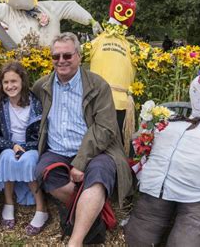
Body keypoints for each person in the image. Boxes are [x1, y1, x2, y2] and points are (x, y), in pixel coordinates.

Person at [32, 33, 132, 247]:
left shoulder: (98, 86)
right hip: (57, 149)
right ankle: (94, 211)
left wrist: (80, 161)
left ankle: (75, 241)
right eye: (55, 56)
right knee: (44, 173)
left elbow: (105, 128)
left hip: (98, 150)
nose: (61, 61)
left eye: (67, 55)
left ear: (78, 56)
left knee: (98, 175)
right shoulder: (42, 86)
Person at [125, 64, 200, 247]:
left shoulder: (169, 122)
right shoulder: (169, 120)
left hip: (186, 190)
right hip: (173, 189)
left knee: (187, 226)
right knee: (151, 225)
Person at [0, 61, 48, 235]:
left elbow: (43, 134)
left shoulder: (35, 103)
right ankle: (8, 203)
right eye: (6, 82)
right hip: (8, 145)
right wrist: (12, 145)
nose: (10, 86)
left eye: (14, 81)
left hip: (31, 146)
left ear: (22, 82)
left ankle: (42, 209)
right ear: (1, 85)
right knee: (7, 157)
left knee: (27, 160)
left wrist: (25, 148)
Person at [90, 0, 137, 154]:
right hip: (106, 103)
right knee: (111, 148)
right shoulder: (132, 47)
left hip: (109, 104)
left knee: (107, 147)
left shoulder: (97, 42)